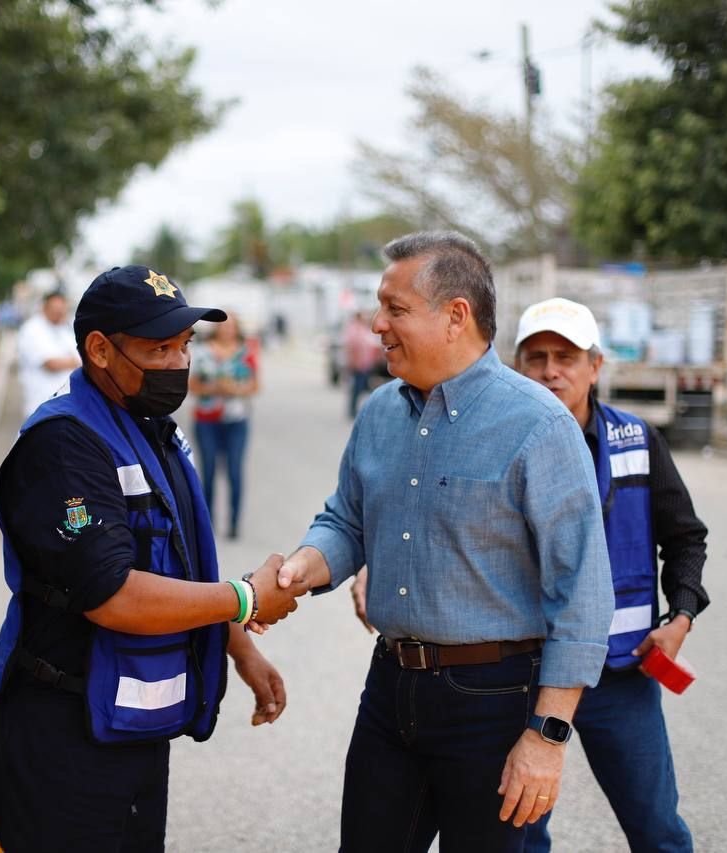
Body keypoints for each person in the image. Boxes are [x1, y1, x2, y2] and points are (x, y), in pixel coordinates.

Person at [276, 232, 614, 852]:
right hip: (390, 690)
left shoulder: (538, 425)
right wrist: (304, 565)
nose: (377, 325)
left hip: (493, 701)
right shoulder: (380, 411)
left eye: (396, 309)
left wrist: (547, 736)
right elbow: (347, 521)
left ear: (456, 315)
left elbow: (584, 591)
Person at [0, 265, 308, 851]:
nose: (179, 363)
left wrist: (241, 645)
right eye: (159, 348)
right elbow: (113, 596)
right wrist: (247, 598)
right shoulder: (62, 448)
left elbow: (175, 559)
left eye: (184, 345)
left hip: (130, 733)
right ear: (100, 350)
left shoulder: (151, 428)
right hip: (63, 736)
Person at [513, 297, 709, 853]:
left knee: (658, 832)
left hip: (619, 674)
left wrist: (681, 616)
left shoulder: (639, 441)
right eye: (537, 357)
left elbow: (686, 537)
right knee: (520, 836)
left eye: (566, 357)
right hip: (524, 673)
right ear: (517, 366)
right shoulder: (499, 448)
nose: (551, 371)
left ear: (595, 366)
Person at [188, 314, 259, 540]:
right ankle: (207, 523)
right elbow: (192, 385)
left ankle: (234, 523)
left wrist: (236, 390)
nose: (227, 330)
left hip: (236, 420)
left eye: (231, 326)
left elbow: (255, 385)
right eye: (223, 326)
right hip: (206, 419)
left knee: (235, 471)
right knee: (208, 471)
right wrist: (215, 389)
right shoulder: (202, 352)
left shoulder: (246, 352)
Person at [17, 289, 81, 419]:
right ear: (44, 307)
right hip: (41, 406)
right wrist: (79, 361)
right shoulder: (32, 330)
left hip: (67, 407)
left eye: (62, 308)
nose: (59, 312)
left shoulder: (65, 329)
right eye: (55, 308)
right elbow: (51, 364)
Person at [343, 308, 382, 418]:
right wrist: (354, 363)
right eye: (364, 316)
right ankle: (353, 410)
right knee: (357, 388)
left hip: (367, 364)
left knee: (364, 388)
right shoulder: (354, 330)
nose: (366, 318)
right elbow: (352, 347)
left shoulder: (364, 329)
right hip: (359, 365)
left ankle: (363, 410)